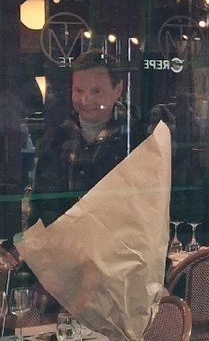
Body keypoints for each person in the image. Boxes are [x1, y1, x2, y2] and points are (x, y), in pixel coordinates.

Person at [29, 51, 133, 226]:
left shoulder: (136, 137)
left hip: (117, 250)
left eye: (96, 91)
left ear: (118, 89)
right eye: (79, 90)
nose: (85, 100)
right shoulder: (56, 138)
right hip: (62, 248)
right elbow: (39, 208)